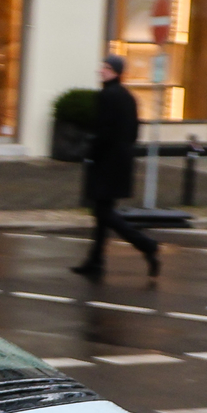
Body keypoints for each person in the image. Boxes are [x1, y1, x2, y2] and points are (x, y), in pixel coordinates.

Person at [73, 55, 160, 279]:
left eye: (107, 67)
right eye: (102, 66)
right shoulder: (128, 97)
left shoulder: (107, 96)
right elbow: (133, 131)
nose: (101, 70)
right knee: (102, 212)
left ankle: (146, 245)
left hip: (105, 162)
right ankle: (95, 260)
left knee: (104, 212)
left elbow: (104, 132)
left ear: (116, 72)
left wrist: (91, 154)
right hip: (121, 161)